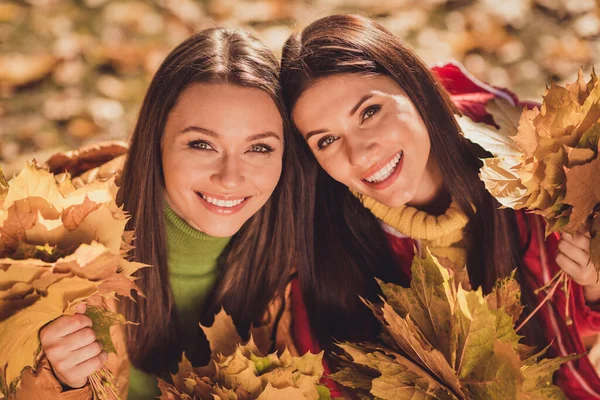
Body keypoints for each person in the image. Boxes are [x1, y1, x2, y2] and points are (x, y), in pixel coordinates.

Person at [280, 14, 600, 398]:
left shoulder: (534, 160)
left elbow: (571, 335)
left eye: (369, 112)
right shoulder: (325, 252)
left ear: (414, 86)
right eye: (327, 140)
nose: (360, 153)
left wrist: (595, 286)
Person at [18, 27, 309, 399]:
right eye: (202, 144)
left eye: (259, 148)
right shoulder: (56, 243)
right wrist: (59, 383)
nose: (230, 178)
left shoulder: (300, 253)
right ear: (155, 140)